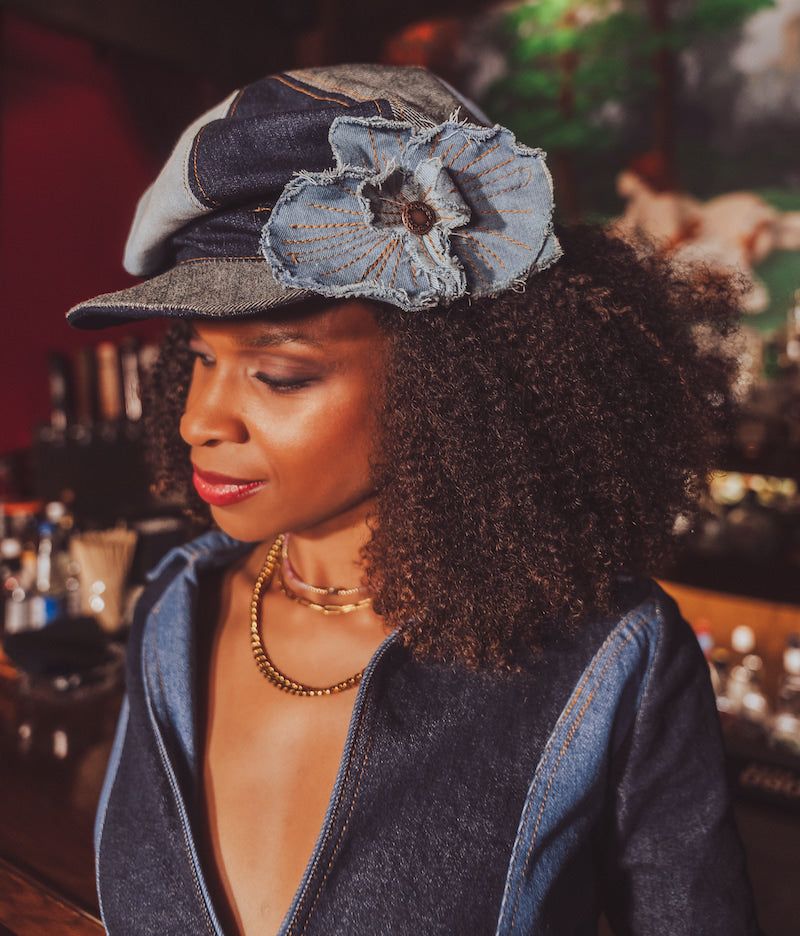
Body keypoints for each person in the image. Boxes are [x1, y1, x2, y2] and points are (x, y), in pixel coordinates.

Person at [68, 65, 760, 936]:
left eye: (279, 375)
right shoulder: (173, 609)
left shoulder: (607, 656)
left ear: (448, 384)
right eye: (199, 357)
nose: (199, 420)